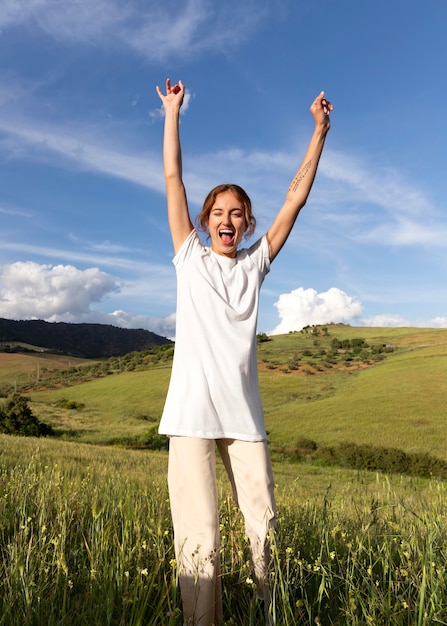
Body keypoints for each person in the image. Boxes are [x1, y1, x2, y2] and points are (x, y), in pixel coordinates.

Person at [156, 78, 333, 626]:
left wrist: (319, 130)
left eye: (237, 213)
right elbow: (172, 177)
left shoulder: (255, 265)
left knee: (264, 524)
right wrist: (172, 113)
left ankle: (270, 613)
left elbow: (295, 198)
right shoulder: (189, 256)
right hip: (190, 416)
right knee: (200, 533)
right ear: (205, 221)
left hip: (244, 418)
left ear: (247, 223)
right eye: (219, 212)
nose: (227, 220)